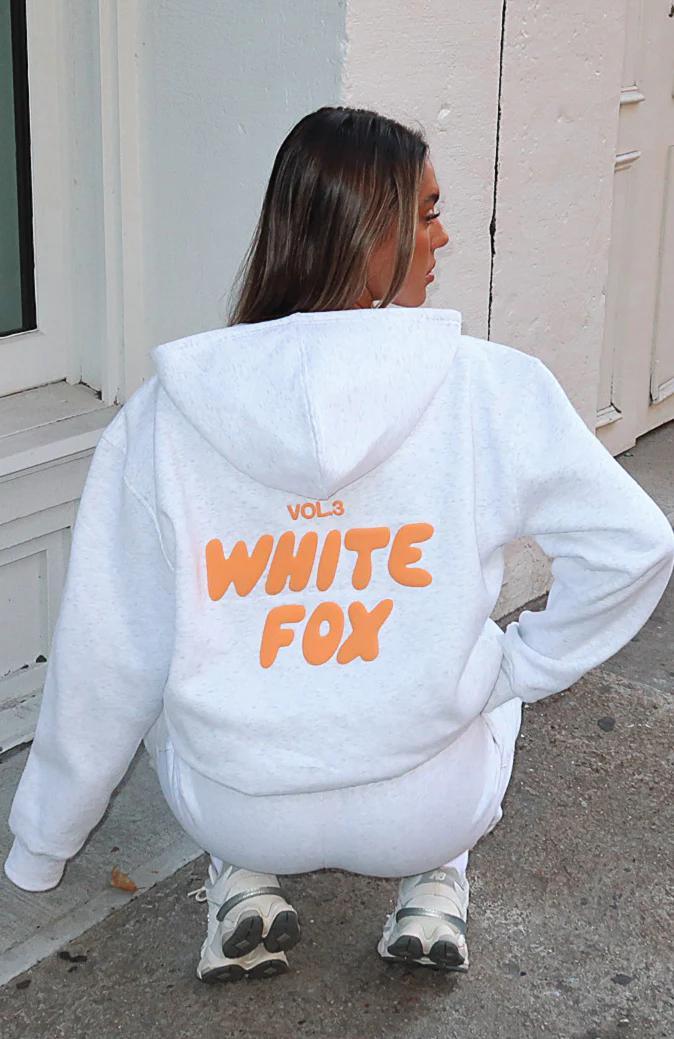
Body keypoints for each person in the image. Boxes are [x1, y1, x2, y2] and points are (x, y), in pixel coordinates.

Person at [4, 107, 674, 984]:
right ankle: (436, 882)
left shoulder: (167, 414)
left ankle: (240, 881)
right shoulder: (490, 387)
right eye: (427, 213)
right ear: (368, 233)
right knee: (486, 664)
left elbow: (108, 653)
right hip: (426, 807)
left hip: (243, 810)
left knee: (164, 652)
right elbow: (634, 546)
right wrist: (513, 669)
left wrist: (42, 845)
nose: (444, 237)